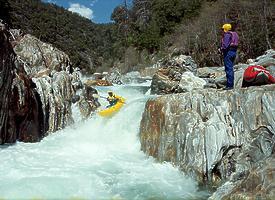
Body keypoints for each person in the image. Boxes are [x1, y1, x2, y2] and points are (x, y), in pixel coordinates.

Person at [219, 23, 239, 90]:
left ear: (225, 29)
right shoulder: (234, 34)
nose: (222, 30)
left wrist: (221, 49)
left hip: (228, 53)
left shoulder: (227, 35)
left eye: (222, 29)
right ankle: (230, 84)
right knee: (230, 68)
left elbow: (225, 45)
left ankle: (229, 85)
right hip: (233, 52)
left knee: (228, 69)